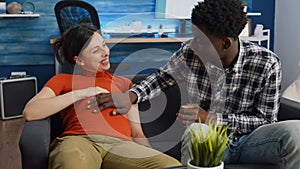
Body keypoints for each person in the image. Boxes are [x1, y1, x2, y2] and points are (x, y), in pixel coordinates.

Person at [90, 0, 300, 168]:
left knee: (297, 131)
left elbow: (266, 121)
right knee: (197, 131)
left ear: (225, 43)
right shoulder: (189, 54)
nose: (193, 44)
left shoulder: (267, 63)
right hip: (205, 140)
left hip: (251, 142)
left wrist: (212, 118)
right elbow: (162, 78)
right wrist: (130, 96)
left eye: (200, 40)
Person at [22, 23, 181, 169]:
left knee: (170, 165)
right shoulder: (62, 80)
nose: (105, 53)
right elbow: (31, 112)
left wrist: (146, 153)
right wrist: (82, 93)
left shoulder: (125, 84)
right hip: (80, 141)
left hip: (121, 146)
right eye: (96, 50)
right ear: (80, 61)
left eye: (104, 45)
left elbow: (137, 132)